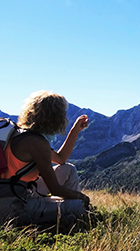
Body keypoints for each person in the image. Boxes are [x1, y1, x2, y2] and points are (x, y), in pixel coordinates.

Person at [0, 90, 90, 226]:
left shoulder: (19, 134)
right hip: (11, 207)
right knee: (79, 204)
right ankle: (75, 220)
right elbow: (55, 189)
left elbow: (60, 159)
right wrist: (83, 198)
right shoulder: (38, 144)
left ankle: (71, 216)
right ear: (55, 117)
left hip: (16, 191)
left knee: (68, 169)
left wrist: (75, 130)